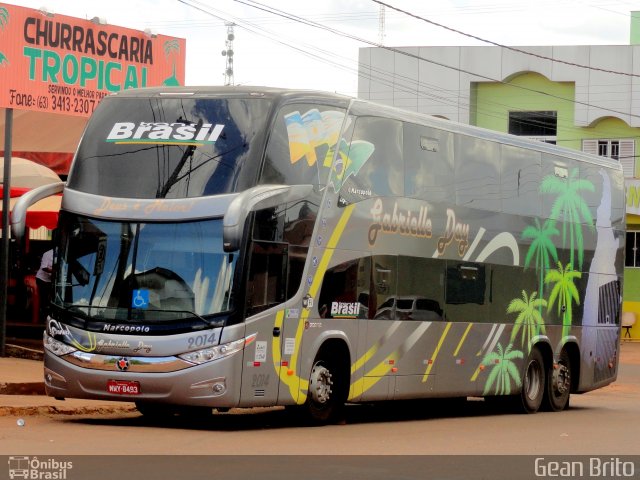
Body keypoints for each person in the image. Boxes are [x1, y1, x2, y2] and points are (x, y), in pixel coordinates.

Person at [36, 248, 53, 323]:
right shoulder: (47, 254)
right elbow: (44, 267)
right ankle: (42, 318)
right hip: (42, 279)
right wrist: (55, 271)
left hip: (51, 280)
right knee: (44, 298)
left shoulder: (62, 254)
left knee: (52, 299)